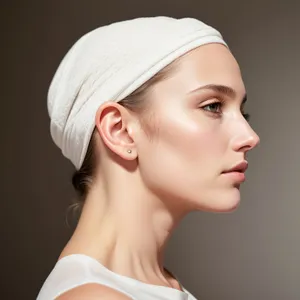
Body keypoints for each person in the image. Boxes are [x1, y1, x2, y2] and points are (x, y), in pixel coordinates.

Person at [37, 16, 260, 300]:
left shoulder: (158, 286)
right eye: (212, 106)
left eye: (243, 112)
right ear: (120, 131)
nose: (250, 136)